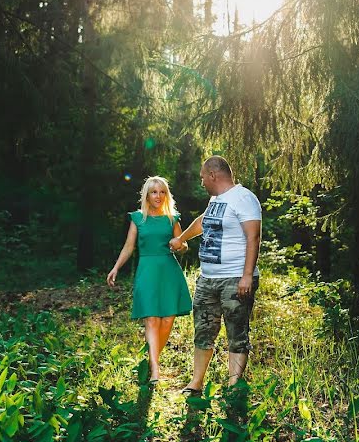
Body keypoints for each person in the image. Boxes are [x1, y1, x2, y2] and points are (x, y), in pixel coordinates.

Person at [169, 156, 261, 393]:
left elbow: (254, 237)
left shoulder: (244, 198)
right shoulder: (216, 200)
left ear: (213, 175)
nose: (201, 182)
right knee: (203, 330)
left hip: (235, 278)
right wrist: (181, 238)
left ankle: (233, 386)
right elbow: (203, 222)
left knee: (236, 332)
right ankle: (196, 383)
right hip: (208, 278)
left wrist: (247, 276)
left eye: (202, 177)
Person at [107, 176, 192, 384]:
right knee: (152, 319)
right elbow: (129, 246)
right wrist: (116, 267)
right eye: (154, 192)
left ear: (167, 195)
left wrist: (180, 246)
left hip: (169, 271)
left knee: (168, 319)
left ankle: (153, 356)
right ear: (146, 194)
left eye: (162, 192)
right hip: (147, 271)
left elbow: (183, 246)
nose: (158, 196)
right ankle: (155, 368)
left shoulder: (173, 218)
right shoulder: (138, 218)